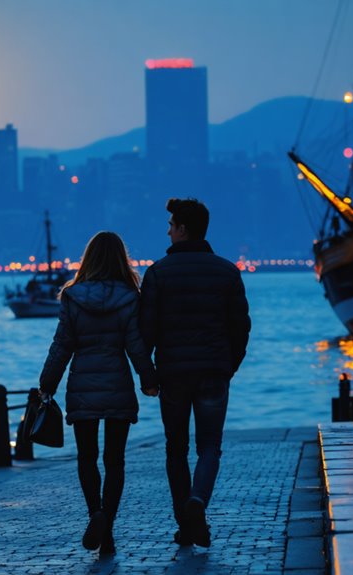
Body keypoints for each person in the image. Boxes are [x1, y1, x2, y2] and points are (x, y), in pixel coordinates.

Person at [139, 198, 251, 548]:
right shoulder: (227, 272)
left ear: (183, 229)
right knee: (210, 447)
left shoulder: (157, 273)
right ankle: (198, 501)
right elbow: (241, 327)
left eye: (171, 225)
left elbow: (146, 330)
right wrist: (229, 364)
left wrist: (149, 374)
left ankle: (185, 524)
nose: (168, 231)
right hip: (214, 371)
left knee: (176, 449)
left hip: (172, 373)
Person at [39, 231, 158, 555]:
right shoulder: (130, 297)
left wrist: (47, 383)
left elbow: (61, 345)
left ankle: (96, 517)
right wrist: (148, 378)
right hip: (117, 383)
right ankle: (107, 525)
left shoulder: (73, 296)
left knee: (87, 458)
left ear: (88, 259)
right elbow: (135, 345)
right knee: (115, 460)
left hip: (82, 386)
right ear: (122, 259)